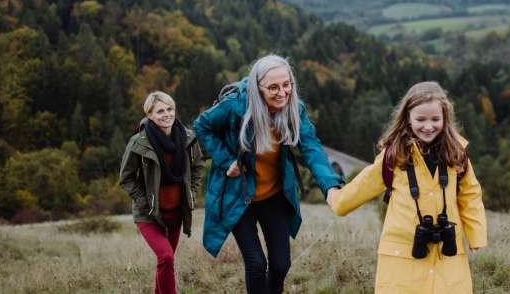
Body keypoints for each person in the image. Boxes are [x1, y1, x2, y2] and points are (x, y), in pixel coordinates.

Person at [194, 54, 343, 294]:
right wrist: (225, 161)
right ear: (257, 87)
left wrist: (330, 186)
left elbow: (311, 147)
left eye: (286, 85)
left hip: (273, 195)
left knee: (281, 264)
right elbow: (202, 125)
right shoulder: (236, 106)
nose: (282, 92)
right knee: (256, 264)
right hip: (239, 195)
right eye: (273, 87)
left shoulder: (295, 109)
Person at [326, 81, 487, 294]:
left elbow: (470, 195)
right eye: (420, 119)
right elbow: (362, 186)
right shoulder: (393, 156)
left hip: (446, 256)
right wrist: (335, 198)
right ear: (407, 119)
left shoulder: (457, 154)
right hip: (402, 256)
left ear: (445, 118)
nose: (428, 126)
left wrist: (476, 234)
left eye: (435, 119)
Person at [119, 91, 204, 294]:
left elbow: (198, 165)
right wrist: (143, 202)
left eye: (170, 109)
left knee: (166, 262)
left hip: (176, 213)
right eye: (160, 111)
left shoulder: (188, 138)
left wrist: (191, 192)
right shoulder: (139, 142)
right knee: (166, 257)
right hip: (149, 214)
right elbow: (126, 177)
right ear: (149, 115)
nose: (166, 114)